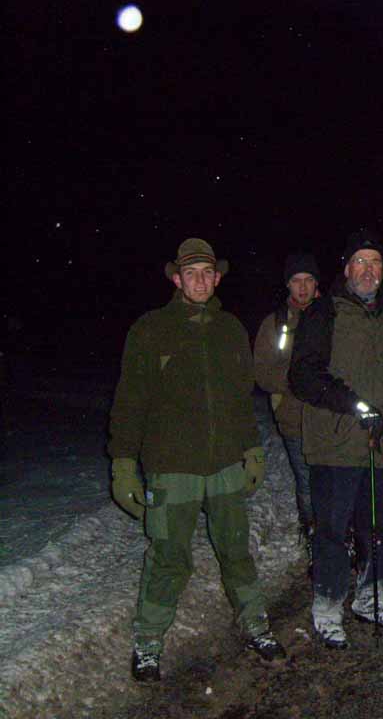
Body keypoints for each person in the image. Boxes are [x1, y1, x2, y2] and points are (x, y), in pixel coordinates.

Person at [109, 238, 286, 683]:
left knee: (236, 551)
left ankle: (256, 624)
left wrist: (252, 449)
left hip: (225, 464)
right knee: (168, 556)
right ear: (177, 279)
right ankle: (148, 643)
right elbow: (129, 401)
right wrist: (123, 464)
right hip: (172, 467)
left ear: (217, 278)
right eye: (191, 273)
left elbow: (241, 400)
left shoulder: (230, 329)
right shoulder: (151, 329)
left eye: (207, 273)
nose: (200, 281)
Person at [289, 231, 383, 649]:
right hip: (336, 442)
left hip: (380, 442)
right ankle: (328, 608)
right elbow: (303, 376)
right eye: (360, 262)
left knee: (377, 527)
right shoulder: (325, 312)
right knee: (332, 530)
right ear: (347, 268)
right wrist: (353, 404)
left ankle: (373, 598)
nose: (368, 270)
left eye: (375, 262)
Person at [254, 252, 320, 551]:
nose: (302, 287)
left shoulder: (335, 317)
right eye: (296, 280)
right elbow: (262, 373)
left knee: (337, 483)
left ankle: (340, 539)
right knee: (306, 483)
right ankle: (313, 538)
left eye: (308, 280)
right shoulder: (275, 324)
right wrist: (297, 380)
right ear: (287, 285)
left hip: (334, 420)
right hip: (294, 419)